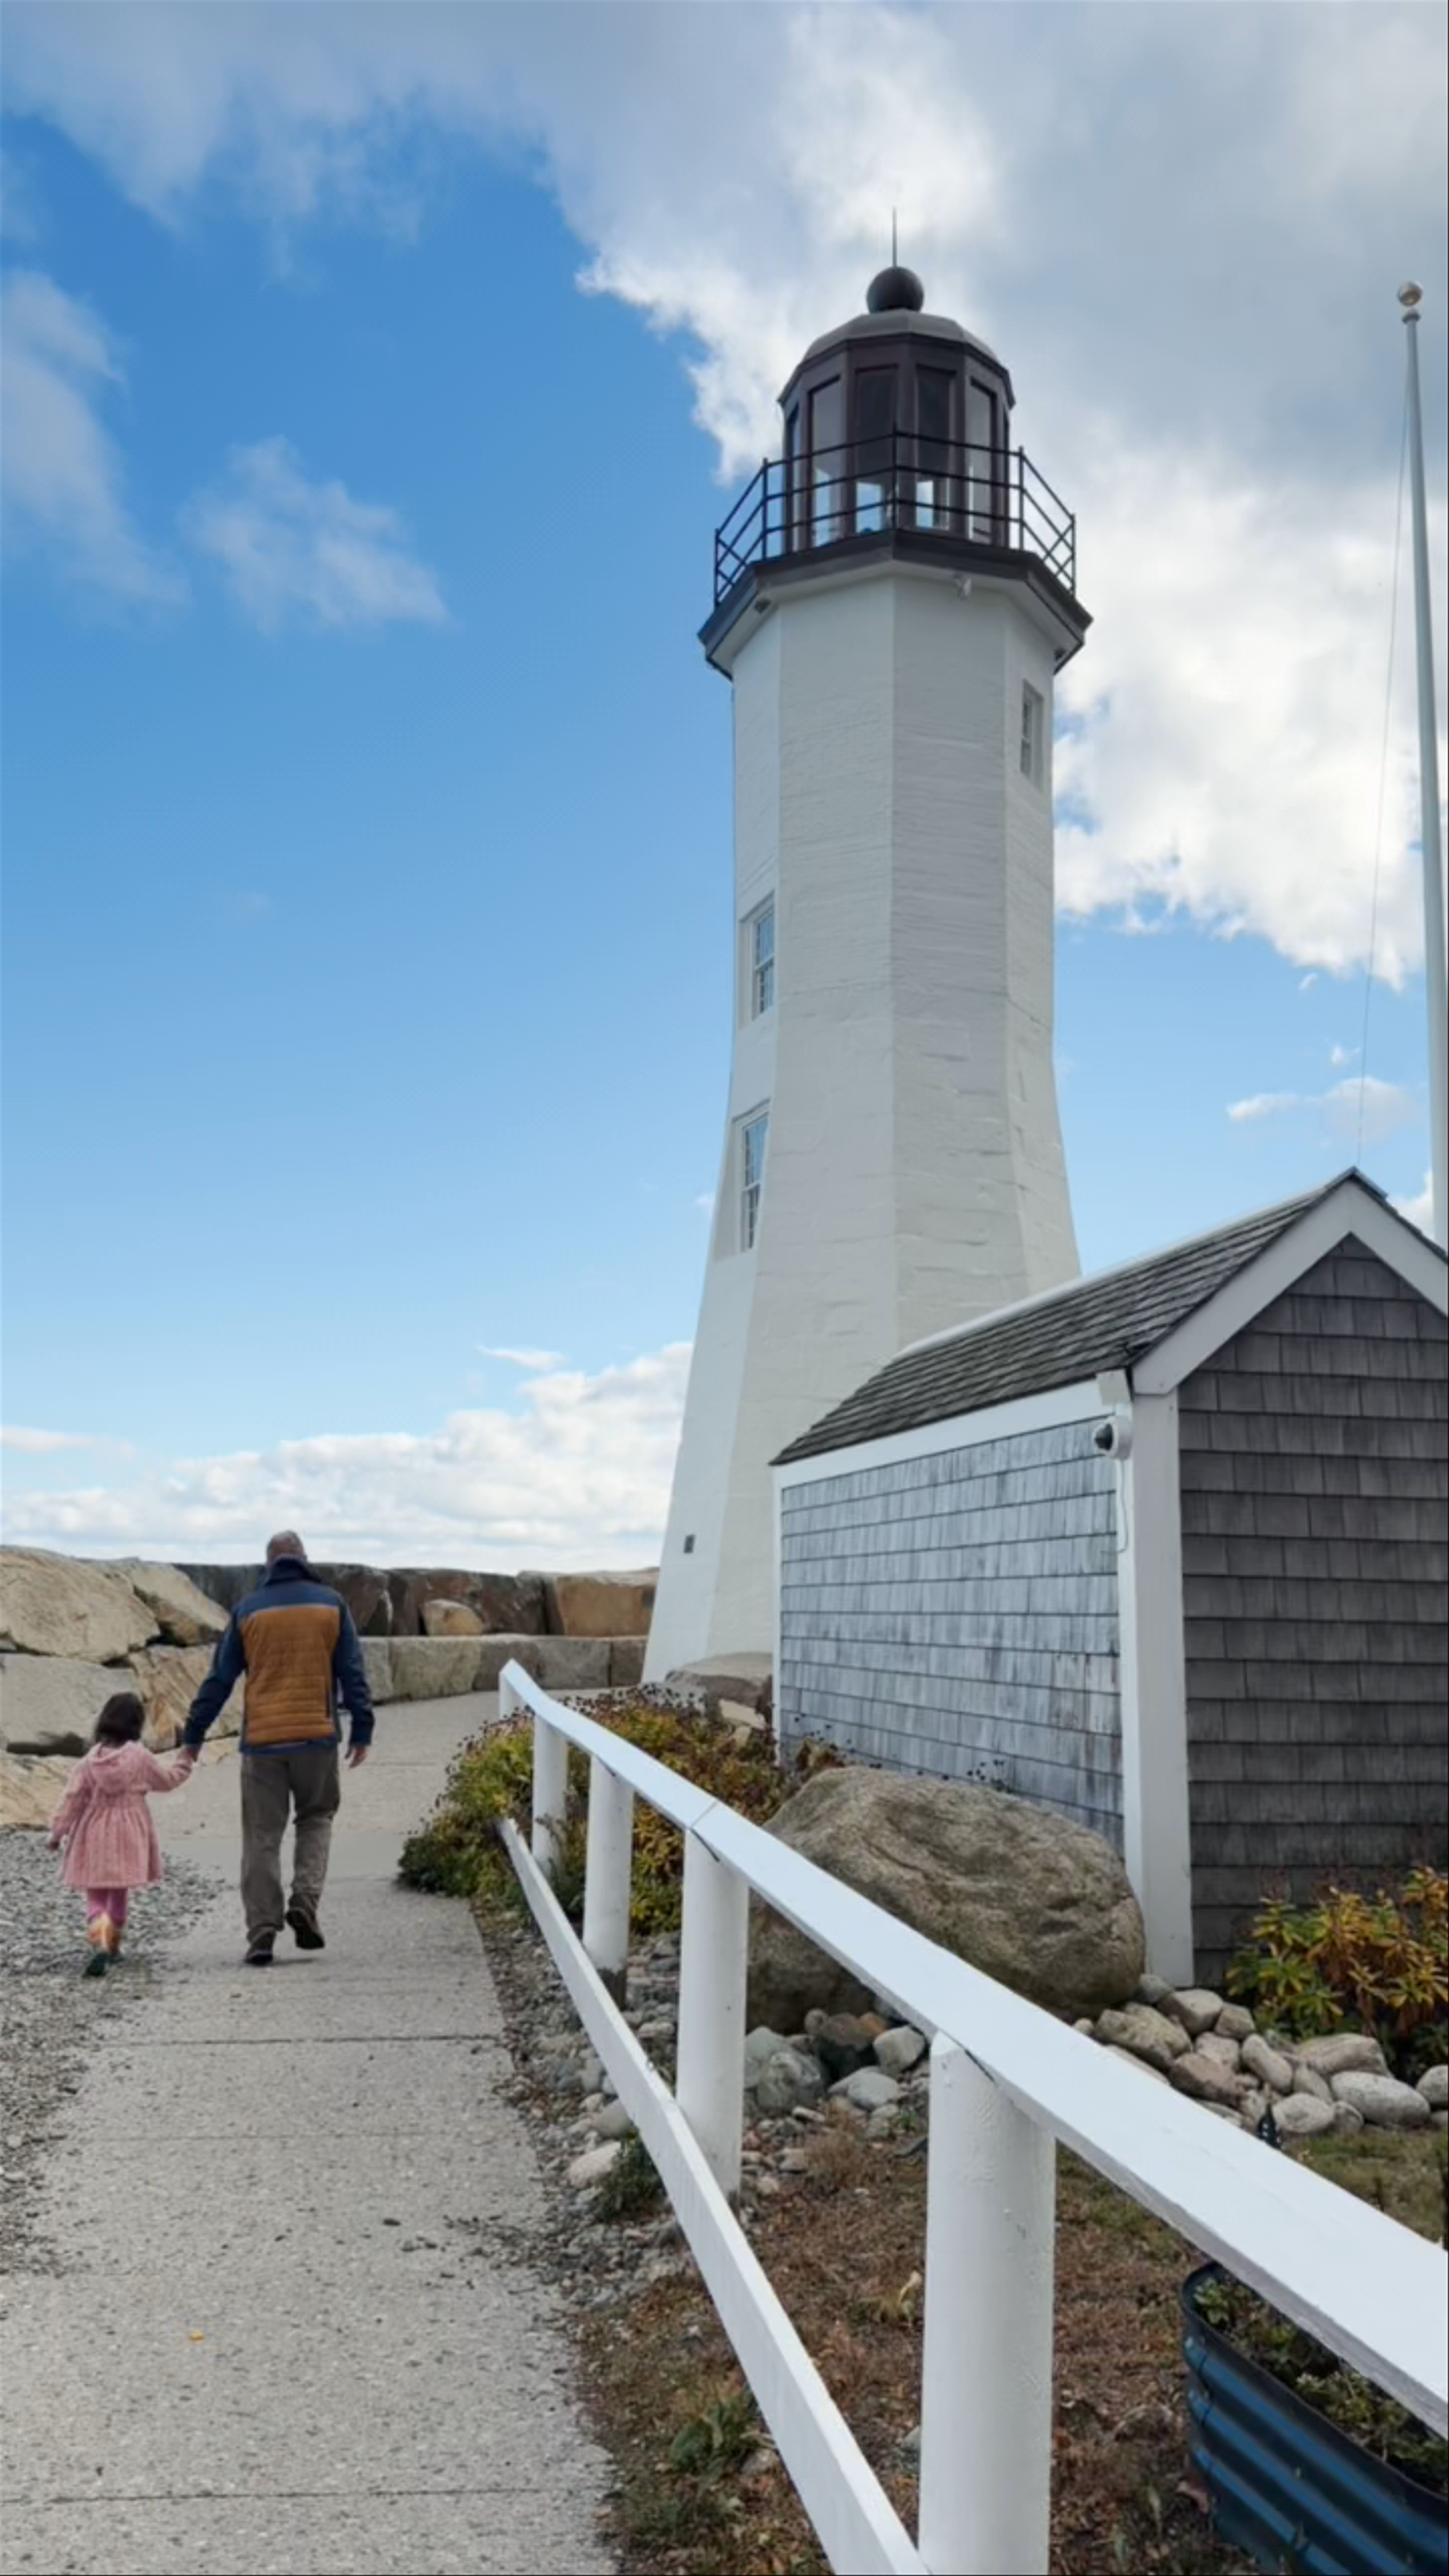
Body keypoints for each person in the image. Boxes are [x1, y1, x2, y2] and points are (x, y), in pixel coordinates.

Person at [182, 1531, 375, 1967]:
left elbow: (220, 1679)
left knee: (262, 1838)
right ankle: (304, 1900)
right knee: (317, 1816)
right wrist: (362, 1728)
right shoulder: (330, 1604)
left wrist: (193, 1735)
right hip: (317, 1736)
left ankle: (262, 1931)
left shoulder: (249, 1609)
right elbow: (352, 1672)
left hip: (264, 1744)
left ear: (268, 1564)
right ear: (305, 1558)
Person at [47, 1693, 196, 1976]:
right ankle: (114, 1945)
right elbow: (167, 1781)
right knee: (119, 1890)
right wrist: (185, 1760)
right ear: (136, 1724)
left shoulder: (89, 1762)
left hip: (93, 1831)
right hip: (130, 1831)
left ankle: (99, 1941)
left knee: (96, 1893)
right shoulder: (140, 1757)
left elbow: (72, 1799)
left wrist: (57, 1833)